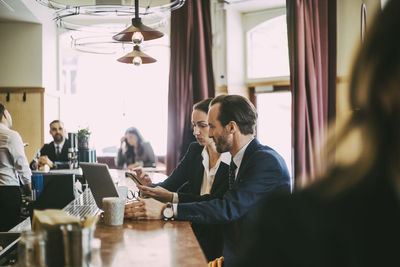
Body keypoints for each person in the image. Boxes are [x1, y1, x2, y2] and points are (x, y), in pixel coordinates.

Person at [232, 1, 400, 266]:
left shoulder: (265, 161)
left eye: (206, 125)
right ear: (384, 83)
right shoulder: (300, 226)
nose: (199, 132)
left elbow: (230, 206)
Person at [125, 94, 291, 266]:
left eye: (211, 126)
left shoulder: (265, 161)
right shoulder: (242, 159)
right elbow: (218, 201)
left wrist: (165, 210)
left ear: (231, 127)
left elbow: (228, 208)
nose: (209, 134)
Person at [132, 98, 231, 261]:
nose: (196, 132)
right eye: (194, 125)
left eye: (202, 125)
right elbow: (171, 184)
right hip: (191, 227)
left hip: (217, 238)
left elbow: (213, 203)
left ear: (216, 125)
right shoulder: (195, 150)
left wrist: (170, 200)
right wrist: (149, 186)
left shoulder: (232, 160)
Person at [0, 104, 32, 231]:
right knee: (8, 234)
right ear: (4, 114)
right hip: (7, 191)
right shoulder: (11, 135)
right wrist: (29, 189)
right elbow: (22, 165)